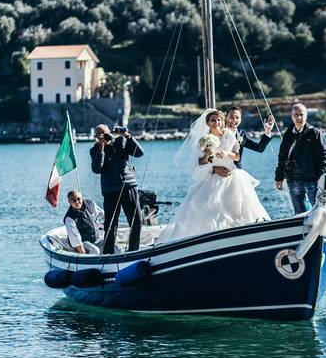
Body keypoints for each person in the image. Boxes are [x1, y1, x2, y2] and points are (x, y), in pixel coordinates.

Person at [156, 109, 269, 243]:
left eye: (218, 120)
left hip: (232, 176)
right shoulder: (205, 139)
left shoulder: (230, 134)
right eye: (213, 120)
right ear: (208, 123)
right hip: (213, 177)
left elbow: (237, 156)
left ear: (222, 121)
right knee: (210, 208)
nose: (216, 122)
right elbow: (202, 162)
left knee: (239, 207)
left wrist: (226, 153)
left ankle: (249, 237)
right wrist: (212, 164)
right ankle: (213, 239)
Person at [90, 124, 144, 254]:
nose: (104, 137)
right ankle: (108, 253)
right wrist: (102, 149)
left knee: (137, 220)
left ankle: (133, 250)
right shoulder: (95, 150)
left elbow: (139, 153)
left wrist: (127, 136)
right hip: (110, 190)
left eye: (106, 133)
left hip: (128, 185)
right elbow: (97, 169)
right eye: (100, 135)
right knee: (110, 225)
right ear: (96, 137)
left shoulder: (120, 142)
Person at [274, 103, 326, 214]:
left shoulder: (315, 133)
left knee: (319, 211)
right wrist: (279, 177)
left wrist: (322, 175)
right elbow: (282, 157)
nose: (299, 117)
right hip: (293, 178)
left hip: (313, 178)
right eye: (296, 115)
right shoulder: (287, 135)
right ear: (292, 116)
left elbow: (325, 155)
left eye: (301, 115)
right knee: (300, 214)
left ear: (306, 116)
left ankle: (321, 229)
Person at [212, 105, 275, 178]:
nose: (234, 120)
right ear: (226, 118)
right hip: (216, 175)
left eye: (237, 117)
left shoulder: (242, 134)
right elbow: (205, 157)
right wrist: (215, 170)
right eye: (231, 117)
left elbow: (259, 148)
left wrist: (267, 131)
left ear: (241, 119)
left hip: (235, 174)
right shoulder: (216, 132)